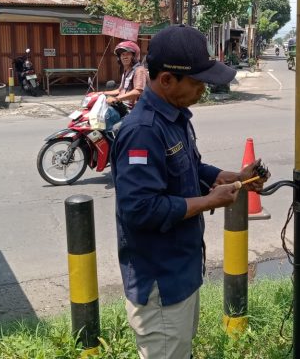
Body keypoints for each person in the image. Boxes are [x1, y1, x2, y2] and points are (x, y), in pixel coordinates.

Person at [111, 25, 270, 359]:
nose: (204, 89)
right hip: (160, 281)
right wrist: (210, 201)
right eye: (197, 82)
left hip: (182, 270)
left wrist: (232, 176)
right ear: (167, 79)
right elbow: (140, 209)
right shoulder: (142, 131)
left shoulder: (176, 117)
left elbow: (189, 169)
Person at [100, 41, 148, 131]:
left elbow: (138, 91)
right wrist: (101, 93)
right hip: (123, 107)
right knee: (103, 117)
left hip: (134, 110)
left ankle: (116, 144)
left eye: (128, 54)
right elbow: (120, 90)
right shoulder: (126, 71)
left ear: (134, 56)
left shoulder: (139, 70)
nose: (124, 57)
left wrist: (117, 99)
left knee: (115, 129)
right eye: (122, 54)